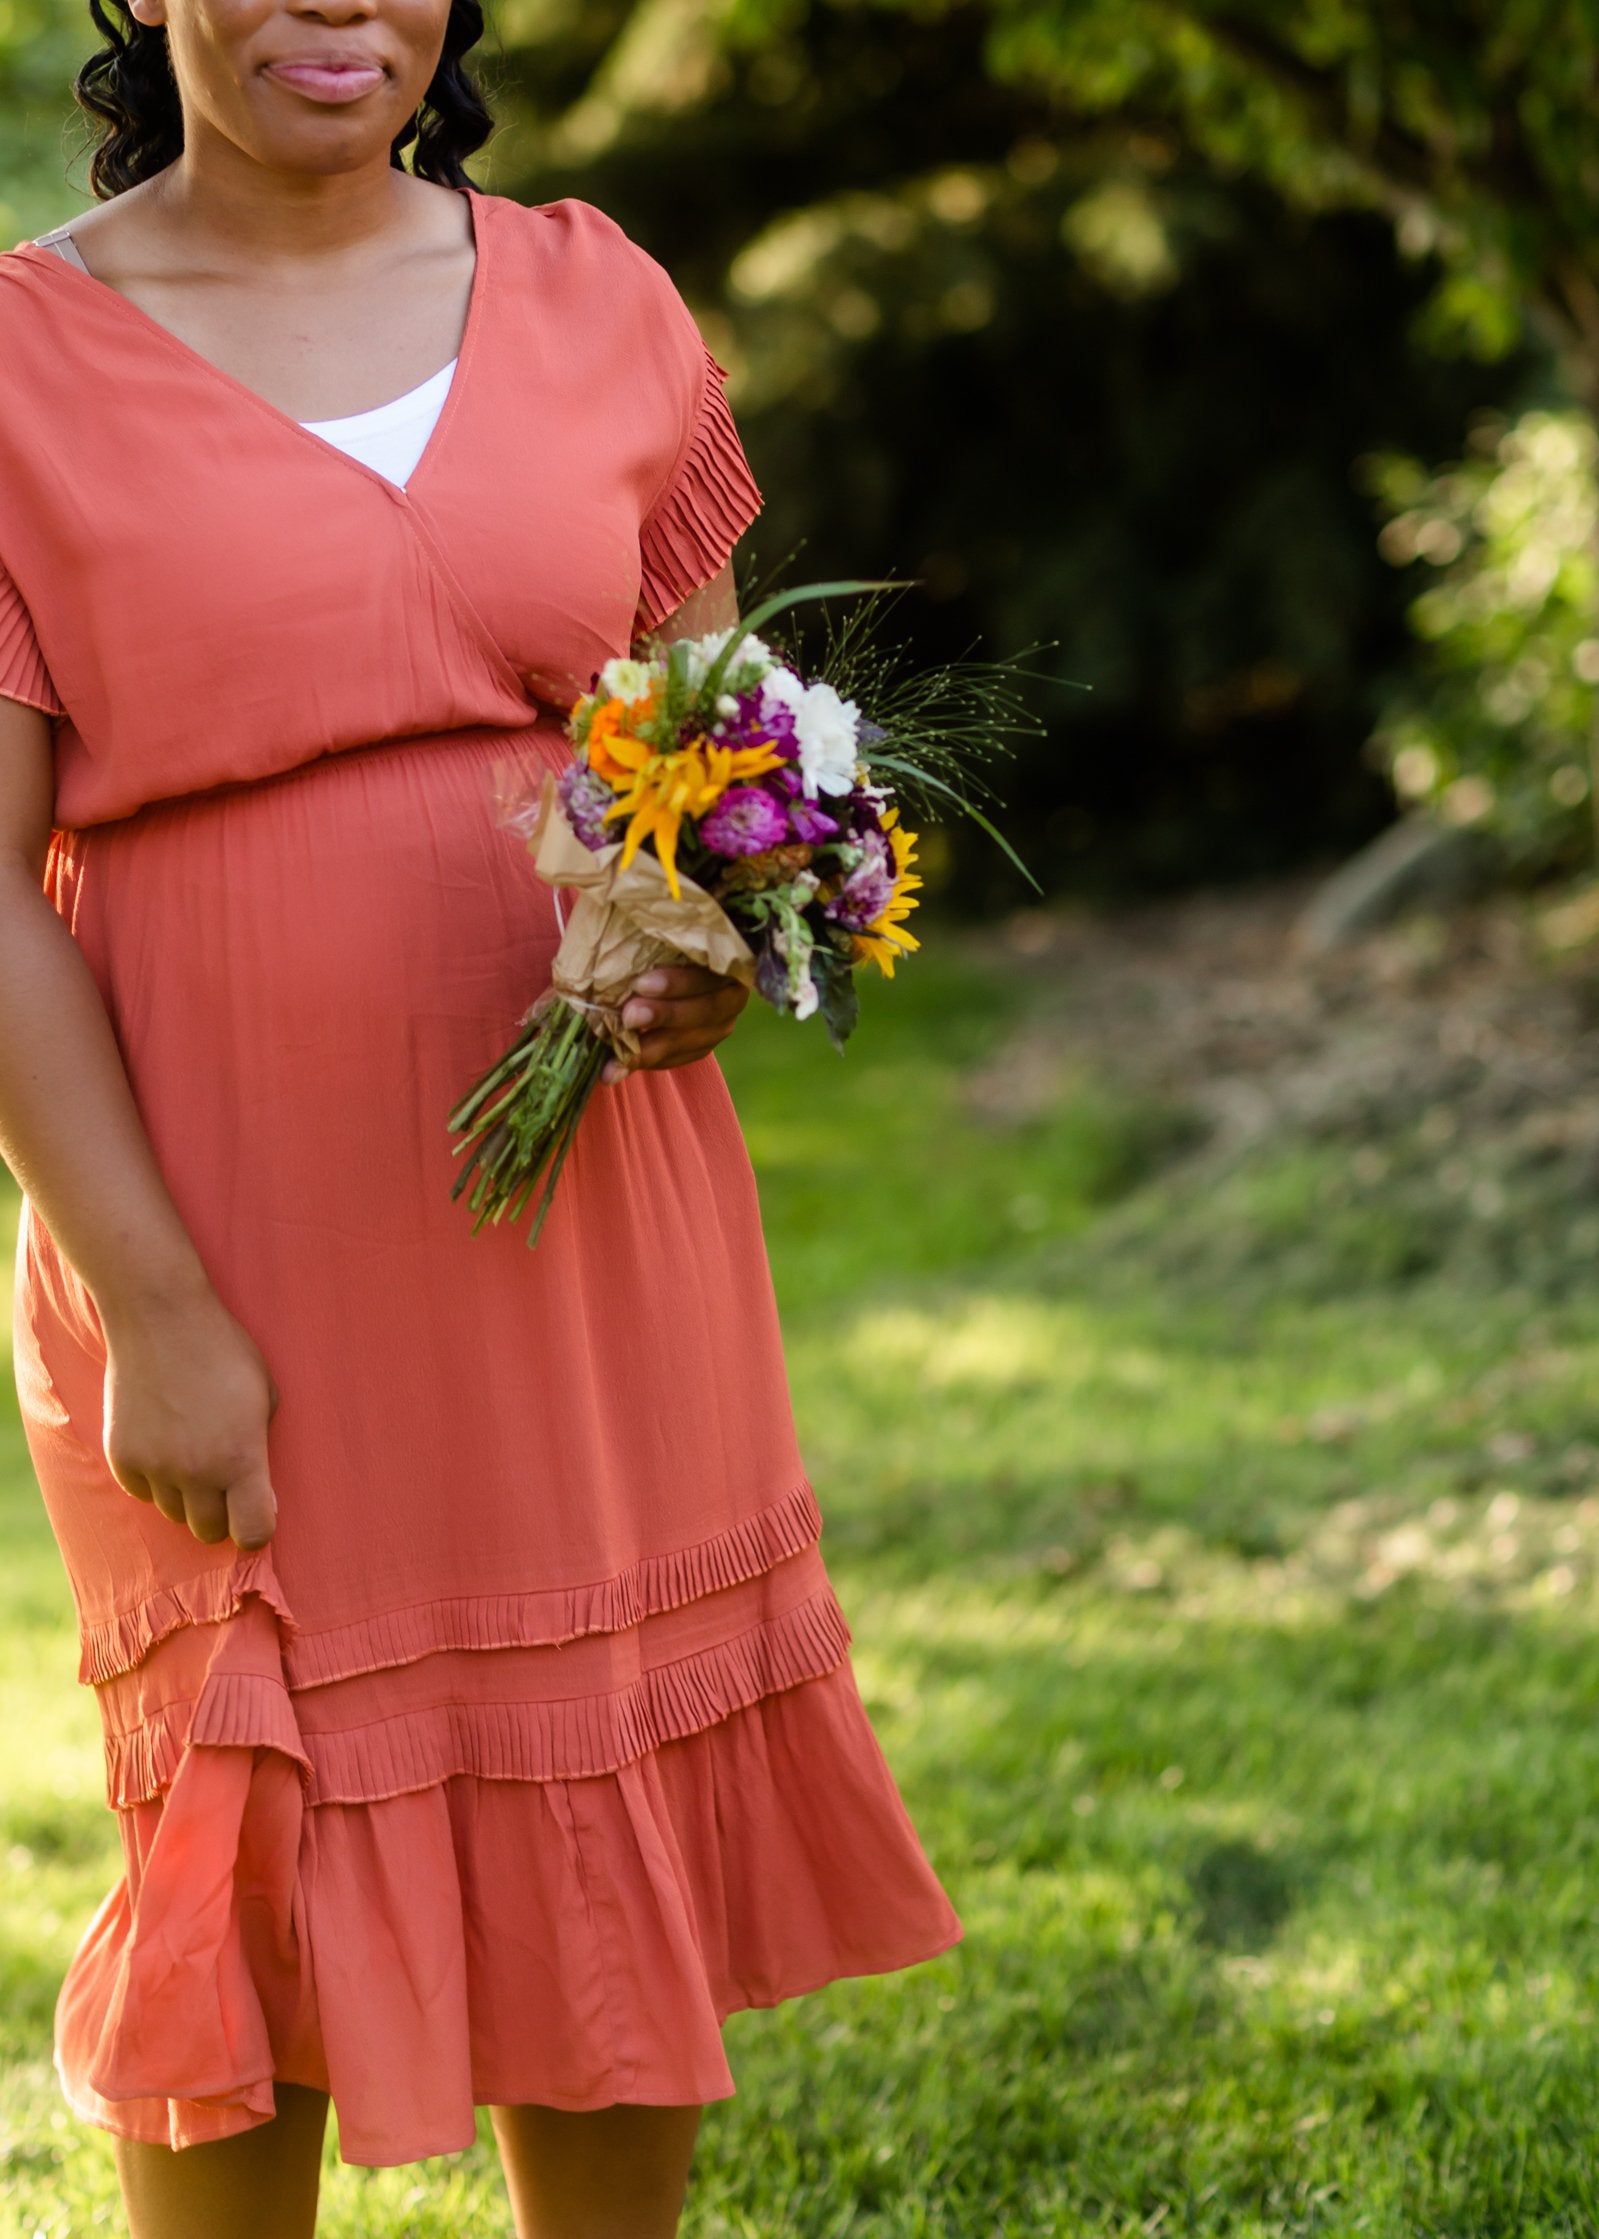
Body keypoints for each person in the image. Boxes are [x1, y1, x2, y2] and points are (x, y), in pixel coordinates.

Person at [0, 0, 963, 2229]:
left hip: (591, 1241)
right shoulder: (25, 361)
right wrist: (155, 1303)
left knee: (598, 1802)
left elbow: (705, 761)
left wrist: (703, 953)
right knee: (244, 1828)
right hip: (219, 1234)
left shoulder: (595, 294)